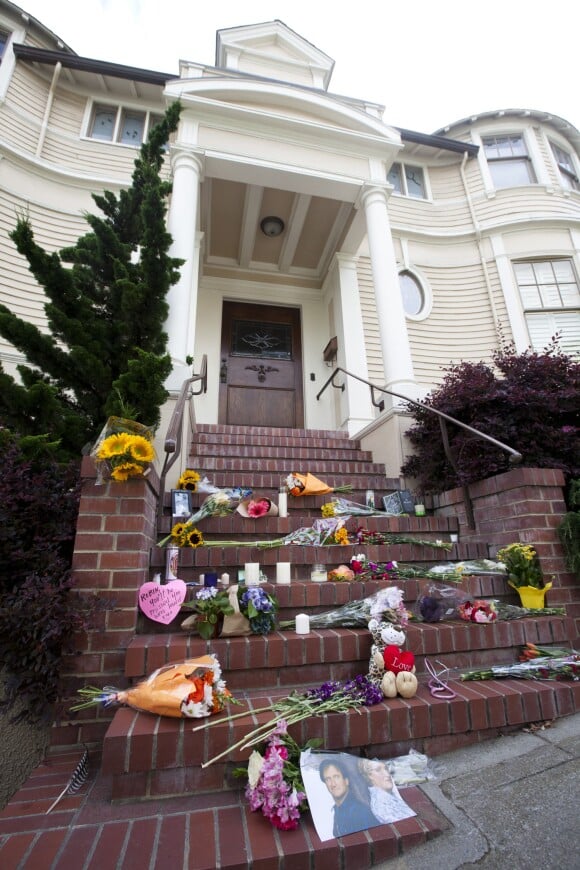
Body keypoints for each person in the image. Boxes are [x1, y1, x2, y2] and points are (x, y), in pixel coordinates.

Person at [319, 759, 379, 837]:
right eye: (328, 779)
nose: (333, 784)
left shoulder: (360, 811)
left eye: (336, 777)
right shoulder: (338, 809)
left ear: (346, 781)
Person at [358, 759, 415, 824]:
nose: (387, 774)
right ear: (369, 776)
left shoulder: (389, 793)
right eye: (378, 770)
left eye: (386, 768)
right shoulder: (382, 806)